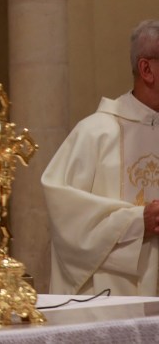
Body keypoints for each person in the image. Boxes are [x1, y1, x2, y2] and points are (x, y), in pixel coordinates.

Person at [42, 19, 159, 296]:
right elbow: (67, 219)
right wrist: (135, 222)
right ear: (147, 69)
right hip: (111, 301)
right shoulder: (95, 133)